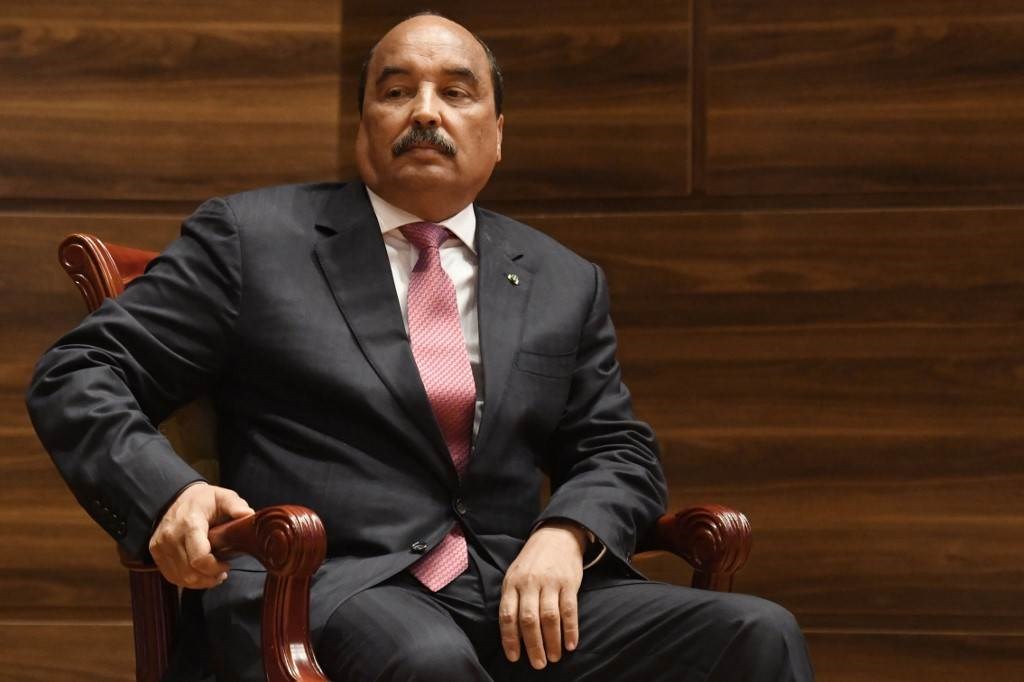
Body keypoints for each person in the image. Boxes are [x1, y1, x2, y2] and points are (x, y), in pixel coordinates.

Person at [27, 12, 814, 682]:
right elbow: (81, 372)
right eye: (396, 90)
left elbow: (617, 448)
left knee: (755, 633)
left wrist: (566, 533)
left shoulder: (563, 279)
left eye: (456, 91)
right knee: (427, 658)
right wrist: (170, 493)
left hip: (513, 591)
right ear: (363, 125)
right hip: (327, 586)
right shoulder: (254, 240)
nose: (425, 111)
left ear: (497, 135)